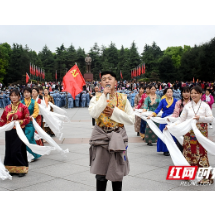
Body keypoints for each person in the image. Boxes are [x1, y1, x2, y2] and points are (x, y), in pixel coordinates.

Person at [88, 71, 135, 191]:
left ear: (116, 82)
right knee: (100, 174)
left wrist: (115, 113)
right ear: (101, 83)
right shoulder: (96, 98)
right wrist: (103, 96)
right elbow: (93, 113)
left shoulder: (123, 98)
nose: (107, 81)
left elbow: (131, 119)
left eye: (110, 78)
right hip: (101, 136)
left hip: (118, 136)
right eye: (104, 79)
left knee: (117, 173)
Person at [170, 86, 214, 184]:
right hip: (189, 132)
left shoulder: (205, 105)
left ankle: (206, 177)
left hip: (200, 132)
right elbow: (181, 119)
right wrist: (171, 126)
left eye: (196, 93)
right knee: (188, 152)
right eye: (192, 93)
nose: (193, 95)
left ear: (200, 94)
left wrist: (200, 118)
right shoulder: (188, 106)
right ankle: (187, 174)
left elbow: (211, 118)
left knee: (201, 152)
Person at [0, 89, 31, 177]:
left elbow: (27, 119)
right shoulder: (7, 108)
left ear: (19, 96)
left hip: (19, 130)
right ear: (10, 97)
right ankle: (11, 169)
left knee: (18, 149)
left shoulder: (23, 107)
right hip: (9, 132)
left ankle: (22, 169)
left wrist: (19, 122)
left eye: (15, 95)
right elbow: (3, 119)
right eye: (12, 95)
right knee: (9, 150)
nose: (13, 97)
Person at [148, 88, 178, 156]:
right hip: (164, 119)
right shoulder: (163, 101)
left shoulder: (176, 101)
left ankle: (173, 149)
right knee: (164, 134)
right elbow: (158, 109)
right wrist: (152, 115)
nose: (169, 93)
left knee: (172, 134)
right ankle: (165, 150)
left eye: (171, 92)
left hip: (172, 119)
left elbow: (178, 110)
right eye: (168, 92)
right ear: (165, 93)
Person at [21, 87, 41, 161]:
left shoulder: (33, 102)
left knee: (29, 138)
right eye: (25, 92)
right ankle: (32, 154)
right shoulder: (21, 102)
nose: (26, 94)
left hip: (30, 123)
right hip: (23, 123)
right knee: (25, 139)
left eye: (27, 92)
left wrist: (31, 116)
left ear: (30, 93)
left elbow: (36, 111)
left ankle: (33, 154)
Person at [171, 86, 191, 151]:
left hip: (190, 124)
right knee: (180, 141)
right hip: (181, 124)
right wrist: (170, 120)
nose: (186, 94)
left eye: (188, 92)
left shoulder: (193, 103)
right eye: (184, 92)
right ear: (181, 93)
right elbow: (176, 113)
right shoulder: (179, 103)